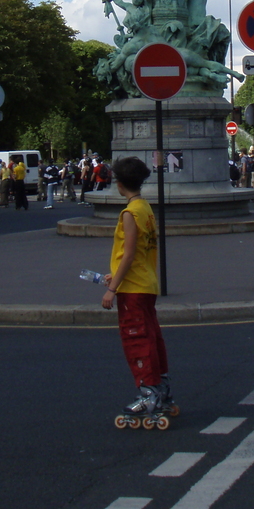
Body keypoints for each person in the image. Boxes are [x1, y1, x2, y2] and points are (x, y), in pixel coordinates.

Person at [99, 156, 177, 426]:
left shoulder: (129, 214)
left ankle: (148, 392)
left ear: (120, 184)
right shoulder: (145, 207)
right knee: (152, 337)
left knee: (136, 338)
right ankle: (161, 387)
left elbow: (129, 254)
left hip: (132, 287)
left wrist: (112, 287)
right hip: (146, 282)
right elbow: (137, 253)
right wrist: (116, 273)